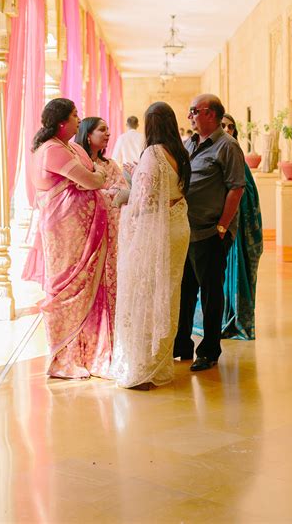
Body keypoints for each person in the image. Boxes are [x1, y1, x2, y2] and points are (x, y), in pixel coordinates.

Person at [29, 98, 113, 380]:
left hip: (78, 231)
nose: (80, 120)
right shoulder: (52, 150)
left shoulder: (69, 147)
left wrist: (93, 174)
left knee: (83, 288)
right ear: (62, 122)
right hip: (64, 233)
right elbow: (93, 180)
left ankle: (82, 354)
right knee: (66, 290)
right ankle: (62, 360)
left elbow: (89, 176)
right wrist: (97, 173)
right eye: (75, 116)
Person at [109, 102, 191, 389]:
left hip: (158, 231)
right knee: (168, 294)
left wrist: (124, 191)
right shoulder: (180, 152)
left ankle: (143, 368)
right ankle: (160, 362)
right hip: (178, 228)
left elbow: (143, 202)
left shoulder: (152, 154)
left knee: (145, 292)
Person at [174, 94, 245, 371]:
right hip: (186, 231)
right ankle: (182, 343)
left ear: (211, 114)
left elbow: (236, 188)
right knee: (185, 290)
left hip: (210, 232)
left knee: (211, 293)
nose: (190, 115)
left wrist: (222, 227)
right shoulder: (190, 143)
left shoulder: (227, 147)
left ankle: (210, 350)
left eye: (195, 111)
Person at [194, 113, 263, 340]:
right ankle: (216, 322)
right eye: (223, 125)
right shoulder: (203, 152)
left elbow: (247, 194)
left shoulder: (236, 156)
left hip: (233, 228)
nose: (228, 129)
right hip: (211, 228)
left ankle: (233, 320)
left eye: (231, 126)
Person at [75, 117, 127, 345]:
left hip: (112, 235)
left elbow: (122, 192)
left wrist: (99, 194)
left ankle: (111, 338)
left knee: (112, 280)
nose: (108, 133)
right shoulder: (79, 165)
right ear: (88, 135)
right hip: (86, 236)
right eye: (102, 130)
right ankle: (90, 339)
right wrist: (104, 194)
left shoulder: (110, 165)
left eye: (108, 129)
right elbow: (79, 196)